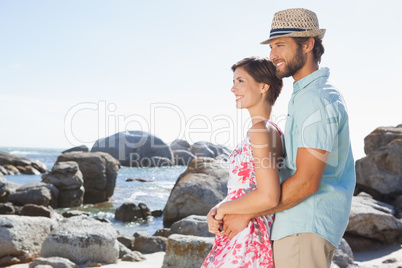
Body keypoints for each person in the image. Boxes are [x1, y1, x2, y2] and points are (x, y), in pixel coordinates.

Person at [208, 8, 356, 268]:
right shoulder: (303, 97)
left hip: (305, 224)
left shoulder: (317, 98)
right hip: (295, 225)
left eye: (280, 45)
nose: (273, 54)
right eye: (271, 46)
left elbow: (307, 181)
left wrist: (245, 213)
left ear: (308, 44)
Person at [201, 57, 283, 268]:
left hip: (247, 232)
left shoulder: (261, 131)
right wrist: (218, 209)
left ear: (263, 86)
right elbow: (245, 188)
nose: (232, 88)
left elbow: (268, 195)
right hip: (242, 227)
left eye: (240, 81)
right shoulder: (267, 130)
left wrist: (223, 209)